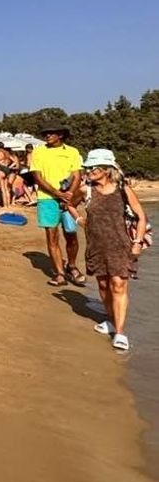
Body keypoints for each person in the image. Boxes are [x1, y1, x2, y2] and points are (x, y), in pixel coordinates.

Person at [69, 149, 147, 350]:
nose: (89, 171)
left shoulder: (123, 190)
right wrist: (80, 220)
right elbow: (69, 204)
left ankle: (120, 332)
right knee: (103, 286)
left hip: (121, 246)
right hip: (96, 245)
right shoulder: (85, 190)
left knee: (118, 285)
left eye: (93, 167)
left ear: (106, 169)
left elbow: (141, 216)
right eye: (88, 167)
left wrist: (137, 242)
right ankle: (111, 320)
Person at [30, 124, 84, 287]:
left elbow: (77, 174)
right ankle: (59, 273)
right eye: (45, 133)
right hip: (46, 198)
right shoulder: (39, 151)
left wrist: (68, 194)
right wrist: (56, 193)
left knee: (71, 234)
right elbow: (37, 176)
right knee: (52, 236)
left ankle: (72, 266)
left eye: (50, 133)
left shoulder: (72, 152)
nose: (47, 136)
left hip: (68, 199)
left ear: (60, 135)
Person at [0, 142, 18, 208]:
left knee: (2, 189)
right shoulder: (7, 153)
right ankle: (8, 205)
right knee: (6, 189)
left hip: (0, 169)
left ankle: (4, 205)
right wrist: (9, 167)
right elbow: (14, 162)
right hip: (6, 169)